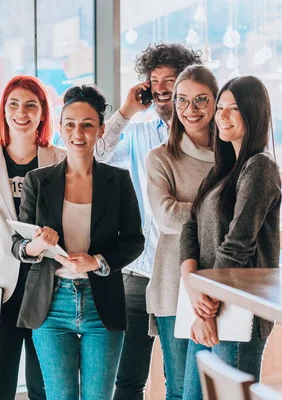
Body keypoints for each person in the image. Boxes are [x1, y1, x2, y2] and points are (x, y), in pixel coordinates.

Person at [11, 85, 145, 400]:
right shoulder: (39, 181)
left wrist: (97, 261)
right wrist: (37, 245)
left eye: (87, 124)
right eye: (70, 124)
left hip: (103, 304)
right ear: (60, 127)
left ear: (100, 130)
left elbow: (134, 241)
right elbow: (18, 243)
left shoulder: (118, 181)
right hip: (51, 304)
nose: (78, 132)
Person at [95, 43, 203, 400]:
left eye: (169, 80)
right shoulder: (139, 133)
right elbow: (96, 153)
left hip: (183, 273)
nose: (160, 88)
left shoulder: (204, 138)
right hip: (137, 274)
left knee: (180, 381)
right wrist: (126, 110)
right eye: (154, 80)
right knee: (127, 381)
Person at [0, 75, 66, 399]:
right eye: (14, 104)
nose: (22, 112)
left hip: (50, 292)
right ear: (4, 111)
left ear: (43, 113)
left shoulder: (61, 160)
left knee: (45, 389)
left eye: (31, 105)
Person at [179, 76, 282, 399]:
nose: (221, 116)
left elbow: (238, 243)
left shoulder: (260, 167)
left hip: (237, 309)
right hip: (206, 302)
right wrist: (191, 284)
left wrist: (205, 305)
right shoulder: (223, 168)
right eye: (220, 107)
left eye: (232, 109)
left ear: (253, 114)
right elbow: (189, 227)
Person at [145, 65, 218, 399]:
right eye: (183, 100)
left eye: (201, 99)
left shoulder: (232, 156)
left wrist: (188, 206)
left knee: (212, 388)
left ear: (217, 102)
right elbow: (166, 218)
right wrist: (223, 210)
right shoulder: (160, 158)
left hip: (222, 282)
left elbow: (181, 214)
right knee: (179, 388)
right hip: (173, 285)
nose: (191, 109)